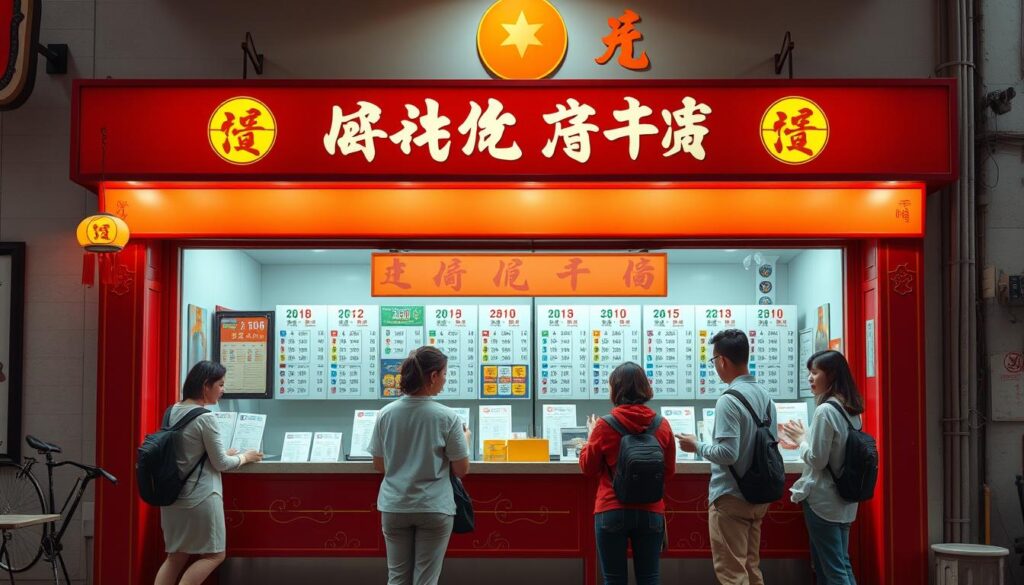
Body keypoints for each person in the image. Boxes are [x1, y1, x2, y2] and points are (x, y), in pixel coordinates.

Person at [676, 329, 777, 585]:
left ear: (722, 360)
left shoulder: (728, 401)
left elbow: (727, 453)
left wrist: (696, 446)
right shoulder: (766, 398)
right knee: (752, 569)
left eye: (713, 360)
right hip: (759, 495)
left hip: (731, 497)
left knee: (732, 574)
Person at [368, 346, 471, 585]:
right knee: (426, 580)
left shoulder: (386, 414)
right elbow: (461, 470)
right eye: (444, 374)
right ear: (433, 376)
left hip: (394, 505)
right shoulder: (448, 417)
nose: (445, 381)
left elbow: (379, 465)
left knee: (396, 577)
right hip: (433, 506)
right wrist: (465, 440)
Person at [155, 360, 263, 585]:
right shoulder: (205, 418)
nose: (223, 390)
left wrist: (224, 452)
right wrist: (246, 457)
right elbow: (222, 463)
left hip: (172, 498)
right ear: (206, 385)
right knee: (215, 555)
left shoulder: (172, 411)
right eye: (220, 385)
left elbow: (189, 449)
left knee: (175, 556)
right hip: (201, 497)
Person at [579, 361, 676, 585]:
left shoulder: (604, 425)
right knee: (649, 578)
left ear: (616, 389)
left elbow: (588, 467)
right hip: (651, 512)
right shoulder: (662, 425)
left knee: (614, 580)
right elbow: (669, 472)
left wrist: (590, 437)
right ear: (646, 387)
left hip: (611, 509)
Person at [782, 350, 865, 585]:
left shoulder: (825, 410)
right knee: (840, 563)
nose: (810, 378)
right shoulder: (851, 409)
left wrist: (800, 441)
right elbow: (833, 451)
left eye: (815, 372)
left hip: (824, 501)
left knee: (832, 569)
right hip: (845, 501)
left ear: (831, 375)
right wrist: (805, 437)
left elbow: (817, 459)